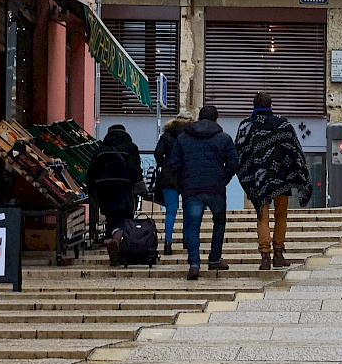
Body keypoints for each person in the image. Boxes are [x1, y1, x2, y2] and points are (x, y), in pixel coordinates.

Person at [235, 92, 313, 270]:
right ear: (271, 105)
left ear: (253, 105)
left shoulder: (246, 125)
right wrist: (298, 174)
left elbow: (239, 153)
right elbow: (295, 150)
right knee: (281, 215)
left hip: (258, 181)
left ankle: (264, 256)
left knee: (262, 218)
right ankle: (278, 253)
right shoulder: (283, 124)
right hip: (281, 180)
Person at [165, 105, 239, 281]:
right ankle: (214, 259)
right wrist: (223, 178)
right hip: (216, 188)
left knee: (192, 226)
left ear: (199, 117)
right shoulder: (224, 138)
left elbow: (173, 164)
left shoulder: (183, 138)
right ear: (216, 119)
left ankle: (194, 264)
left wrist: (183, 183)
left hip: (192, 188)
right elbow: (234, 162)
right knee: (219, 223)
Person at [86, 124, 148, 235]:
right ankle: (119, 237)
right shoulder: (130, 147)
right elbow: (135, 168)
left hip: (104, 188)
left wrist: (90, 189)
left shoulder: (100, 149)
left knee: (110, 216)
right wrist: (138, 182)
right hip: (124, 187)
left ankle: (112, 238)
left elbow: (92, 171)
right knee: (126, 216)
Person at [152, 113, 193, 256]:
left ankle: (168, 241)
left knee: (171, 210)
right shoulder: (191, 136)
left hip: (169, 175)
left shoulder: (166, 136)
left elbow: (157, 153)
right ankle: (187, 240)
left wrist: (165, 164)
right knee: (188, 209)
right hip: (187, 174)